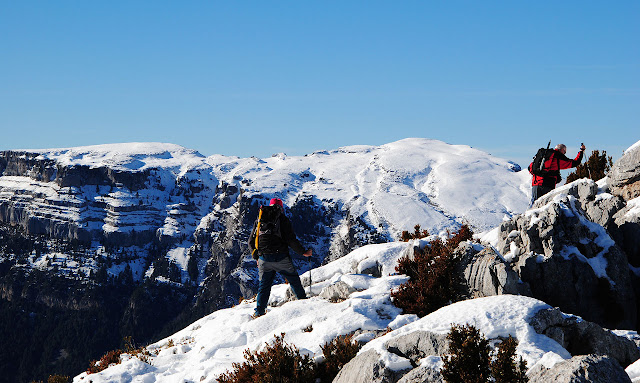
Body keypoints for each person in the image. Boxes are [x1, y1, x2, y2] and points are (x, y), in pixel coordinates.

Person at [248, 198, 312, 318]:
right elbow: (291, 240)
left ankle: (259, 312)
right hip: (281, 258)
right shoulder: (282, 220)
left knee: (264, 286)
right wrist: (303, 252)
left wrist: (257, 257)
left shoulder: (260, 219)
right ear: (281, 208)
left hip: (264, 259)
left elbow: (251, 241)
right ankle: (303, 301)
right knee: (293, 279)